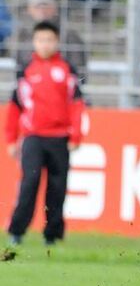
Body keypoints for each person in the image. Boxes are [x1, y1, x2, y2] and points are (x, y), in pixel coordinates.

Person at [5, 21, 84, 246]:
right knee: (29, 182)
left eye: (49, 40)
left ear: (56, 42)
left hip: (59, 138)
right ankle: (17, 231)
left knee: (57, 187)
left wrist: (76, 135)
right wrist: (11, 138)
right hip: (33, 137)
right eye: (40, 40)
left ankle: (52, 235)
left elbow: (76, 104)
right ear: (34, 42)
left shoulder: (67, 70)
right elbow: (15, 106)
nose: (45, 44)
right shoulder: (26, 70)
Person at [12, 0, 87, 85]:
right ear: (29, 9)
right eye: (37, 6)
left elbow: (80, 73)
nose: (42, 10)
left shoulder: (69, 36)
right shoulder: (21, 36)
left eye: (46, 6)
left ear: (55, 9)